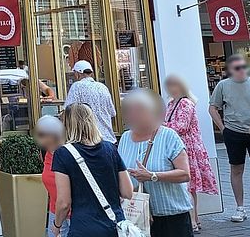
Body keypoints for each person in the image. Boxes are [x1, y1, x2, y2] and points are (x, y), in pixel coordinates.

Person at [51, 103, 134, 237]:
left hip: (84, 227)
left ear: (66, 125)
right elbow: (128, 192)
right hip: (114, 226)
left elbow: (64, 203)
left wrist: (57, 225)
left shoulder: (63, 154)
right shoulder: (110, 149)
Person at [117, 89, 192, 237]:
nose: (133, 115)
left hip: (170, 215)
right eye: (130, 111)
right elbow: (119, 173)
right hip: (137, 215)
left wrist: (152, 176)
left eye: (139, 110)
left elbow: (185, 174)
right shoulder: (125, 138)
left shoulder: (168, 136)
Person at [209, 54, 250, 223]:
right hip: (233, 132)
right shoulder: (223, 85)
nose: (241, 70)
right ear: (231, 69)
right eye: (237, 68)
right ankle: (240, 207)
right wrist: (223, 128)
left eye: (244, 67)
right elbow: (213, 108)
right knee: (236, 169)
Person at [162, 74, 218, 232]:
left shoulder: (185, 103)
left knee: (188, 186)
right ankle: (195, 219)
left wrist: (161, 125)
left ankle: (192, 221)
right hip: (179, 147)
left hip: (188, 149)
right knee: (187, 186)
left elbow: (182, 126)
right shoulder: (172, 103)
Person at [64, 61, 117, 143]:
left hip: (90, 140)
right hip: (108, 138)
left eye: (74, 73)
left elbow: (68, 111)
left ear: (78, 73)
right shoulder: (103, 87)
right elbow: (113, 113)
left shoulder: (77, 86)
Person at [36, 115, 69, 237]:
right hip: (55, 210)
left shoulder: (69, 152)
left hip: (73, 213)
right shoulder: (46, 152)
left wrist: (57, 225)